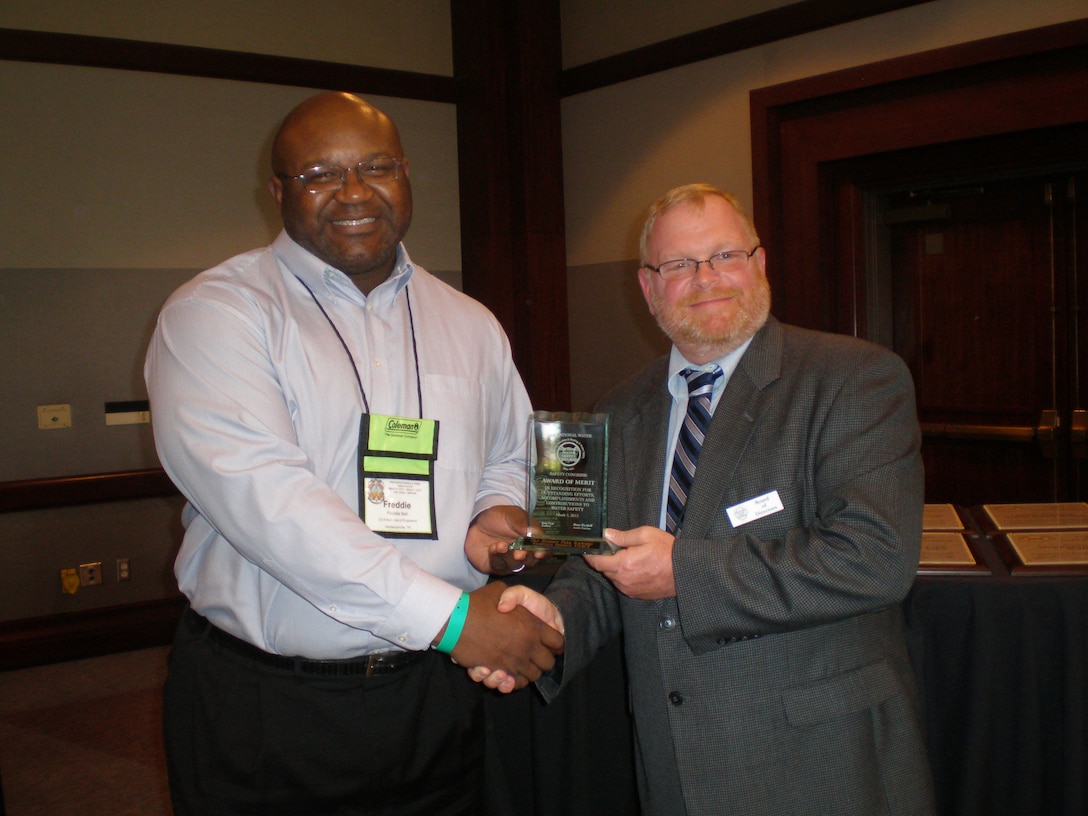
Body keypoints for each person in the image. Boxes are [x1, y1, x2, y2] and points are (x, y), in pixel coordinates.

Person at [145, 91, 561, 816]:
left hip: (434, 692)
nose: (353, 193)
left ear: (405, 175)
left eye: (375, 167)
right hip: (273, 705)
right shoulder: (216, 314)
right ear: (276, 191)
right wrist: (459, 621)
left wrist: (498, 514)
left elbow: (506, 449)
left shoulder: (468, 321)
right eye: (319, 175)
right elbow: (273, 506)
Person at [474, 184, 937, 815]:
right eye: (679, 265)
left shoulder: (853, 377)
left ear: (759, 263)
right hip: (677, 761)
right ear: (647, 287)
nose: (707, 278)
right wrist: (555, 623)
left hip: (826, 762)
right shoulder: (617, 410)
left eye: (725, 255)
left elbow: (875, 558)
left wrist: (680, 571)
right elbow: (601, 566)